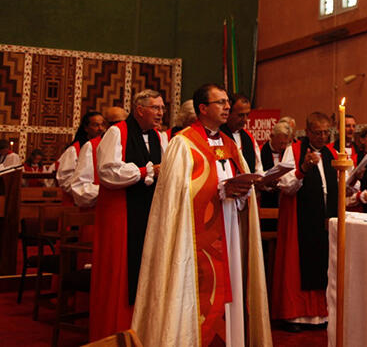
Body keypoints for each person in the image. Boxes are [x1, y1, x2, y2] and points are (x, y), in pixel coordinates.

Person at [132, 83, 272, 346]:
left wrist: (241, 193)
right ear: (203, 108)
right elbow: (175, 197)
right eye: (220, 102)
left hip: (229, 231)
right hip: (195, 239)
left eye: (227, 103)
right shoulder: (183, 144)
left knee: (233, 289)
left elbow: (242, 191)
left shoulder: (231, 145)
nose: (227, 107)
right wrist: (218, 189)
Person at [90, 90, 167, 341]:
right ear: (139, 109)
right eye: (155, 108)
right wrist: (146, 170)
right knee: (120, 275)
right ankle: (113, 332)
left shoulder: (160, 137)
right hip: (120, 214)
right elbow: (108, 172)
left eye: (162, 108)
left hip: (149, 212)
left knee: (147, 270)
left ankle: (143, 331)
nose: (160, 113)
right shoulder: (117, 132)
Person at [272, 112, 338, 332]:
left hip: (325, 216)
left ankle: (322, 314)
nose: (322, 137)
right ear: (307, 132)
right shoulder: (295, 150)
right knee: (299, 263)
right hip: (301, 215)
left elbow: (338, 186)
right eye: (317, 132)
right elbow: (285, 185)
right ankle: (296, 315)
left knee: (324, 263)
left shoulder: (332, 153)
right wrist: (304, 169)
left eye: (326, 132)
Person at [70, 106, 128, 207]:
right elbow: (79, 187)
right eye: (115, 123)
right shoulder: (91, 147)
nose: (119, 127)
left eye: (124, 123)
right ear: (106, 125)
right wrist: (109, 190)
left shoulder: (130, 145)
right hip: (100, 207)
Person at [56, 112, 106, 198]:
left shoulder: (106, 147)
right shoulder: (74, 150)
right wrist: (86, 193)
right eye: (96, 125)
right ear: (86, 128)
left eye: (103, 125)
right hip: (79, 202)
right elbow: (65, 180)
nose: (101, 128)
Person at [259, 120, 292, 229]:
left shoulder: (287, 152)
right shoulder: (260, 152)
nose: (283, 147)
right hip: (266, 198)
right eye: (281, 143)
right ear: (272, 136)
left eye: (286, 143)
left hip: (284, 198)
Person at [221, 93, 263, 174]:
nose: (245, 119)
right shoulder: (218, 136)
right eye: (240, 115)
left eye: (247, 114)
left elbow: (258, 168)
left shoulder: (249, 137)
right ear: (228, 113)